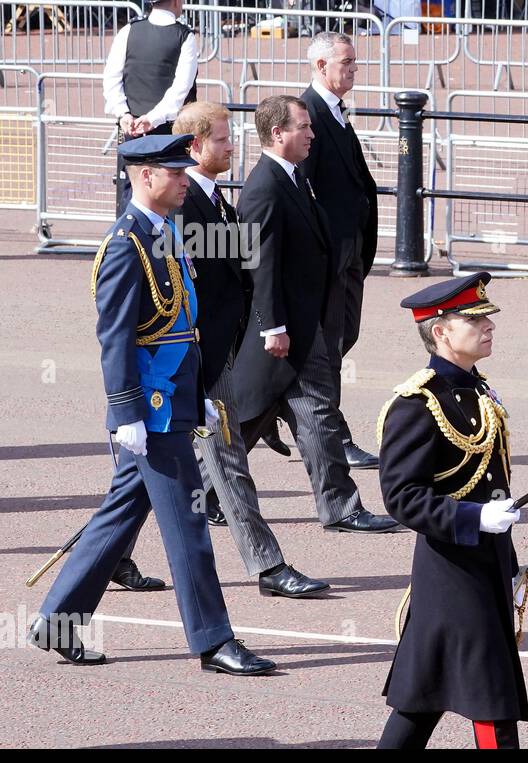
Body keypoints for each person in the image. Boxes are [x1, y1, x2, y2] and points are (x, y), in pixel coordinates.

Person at [26, 134, 274, 676]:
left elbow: (182, 327)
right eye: (176, 173)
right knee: (188, 526)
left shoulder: (164, 233)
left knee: (119, 516)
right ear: (145, 177)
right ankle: (213, 641)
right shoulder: (125, 244)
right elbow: (115, 338)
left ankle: (57, 618)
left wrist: (200, 395)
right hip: (150, 412)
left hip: (173, 400)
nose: (187, 180)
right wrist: (126, 413)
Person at [176, 101, 332, 596]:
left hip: (222, 354)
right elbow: (183, 289)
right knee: (226, 461)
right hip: (197, 359)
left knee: (158, 475)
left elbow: (245, 271)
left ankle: (114, 550)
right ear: (195, 146)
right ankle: (267, 566)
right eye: (222, 140)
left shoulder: (217, 199)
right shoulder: (184, 205)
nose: (232, 145)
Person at [230, 95, 399, 534]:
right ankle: (338, 506)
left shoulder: (291, 177)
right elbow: (260, 265)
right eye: (303, 127)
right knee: (305, 415)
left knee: (275, 417)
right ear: (277, 134)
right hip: (289, 331)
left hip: (305, 325)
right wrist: (275, 327)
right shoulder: (264, 187)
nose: (311, 134)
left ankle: (208, 489)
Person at [376, 273, 528, 749]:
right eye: (474, 319)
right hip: (451, 570)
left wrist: (506, 557)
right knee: (491, 698)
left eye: (487, 318)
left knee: (423, 697)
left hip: (482, 561)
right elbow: (401, 496)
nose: (488, 326)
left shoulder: (478, 390)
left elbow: (489, 475)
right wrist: (475, 518)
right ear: (440, 331)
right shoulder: (417, 403)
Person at [300, 31, 381, 470]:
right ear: (321, 66)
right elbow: (302, 190)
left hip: (349, 252)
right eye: (345, 62)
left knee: (342, 337)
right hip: (329, 255)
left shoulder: (333, 110)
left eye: (354, 62)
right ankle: (333, 435)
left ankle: (293, 408)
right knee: (327, 347)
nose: (352, 69)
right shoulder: (307, 113)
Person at [102, 0, 198, 217]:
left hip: (130, 129)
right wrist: (153, 118)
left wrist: (123, 113)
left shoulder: (129, 30)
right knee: (170, 193)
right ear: (176, 1)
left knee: (130, 190)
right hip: (167, 132)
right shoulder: (185, 36)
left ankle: (128, 245)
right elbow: (181, 88)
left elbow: (111, 78)